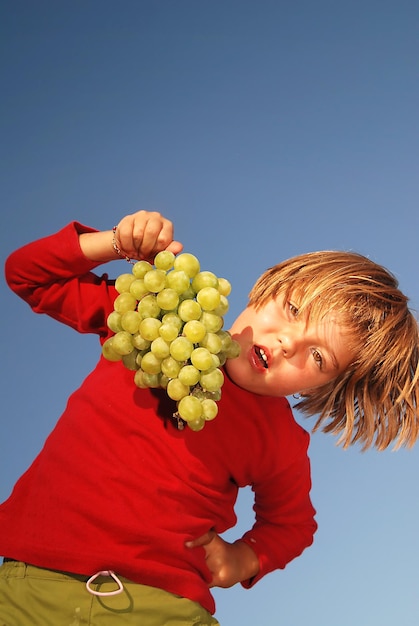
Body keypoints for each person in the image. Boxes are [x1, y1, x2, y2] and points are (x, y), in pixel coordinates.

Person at [0, 210, 418, 625]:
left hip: (163, 608)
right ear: (266, 287)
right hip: (30, 581)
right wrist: (113, 242)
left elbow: (293, 525)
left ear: (321, 386)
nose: (289, 342)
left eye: (318, 355)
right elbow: (27, 276)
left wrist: (241, 559)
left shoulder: (280, 440)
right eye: (293, 309)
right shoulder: (153, 320)